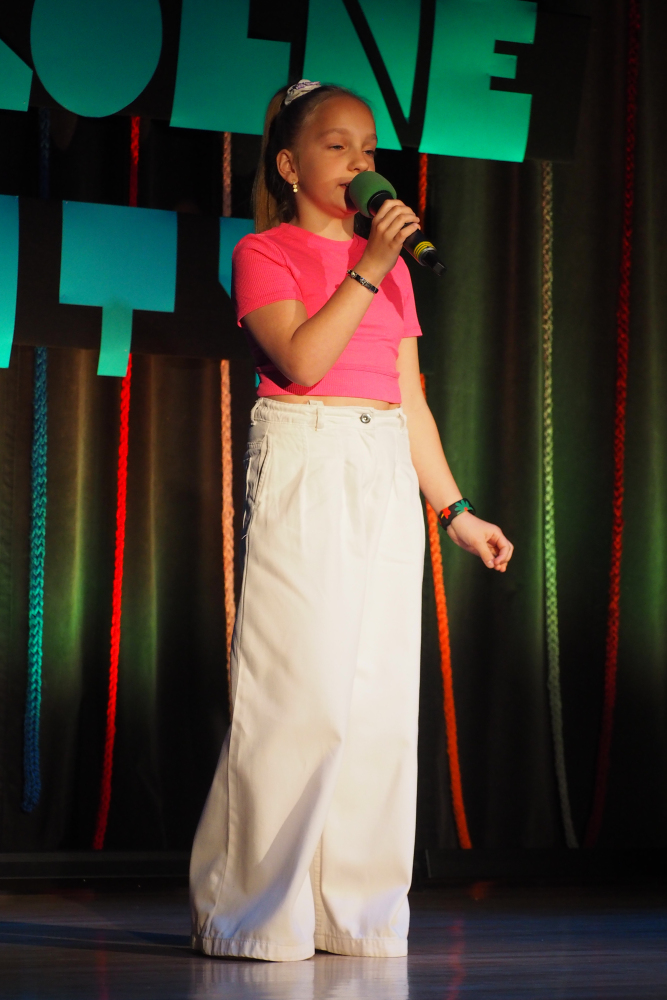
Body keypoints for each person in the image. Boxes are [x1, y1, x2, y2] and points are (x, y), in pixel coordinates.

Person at [190, 79, 513, 962]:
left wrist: (454, 509)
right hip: (309, 453)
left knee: (376, 703)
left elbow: (409, 398)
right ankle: (253, 915)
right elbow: (301, 358)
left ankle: (357, 912)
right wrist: (367, 266)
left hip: (381, 466)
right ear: (290, 165)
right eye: (336, 146)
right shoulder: (265, 251)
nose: (359, 163)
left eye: (367, 148)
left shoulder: (394, 270)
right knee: (300, 695)